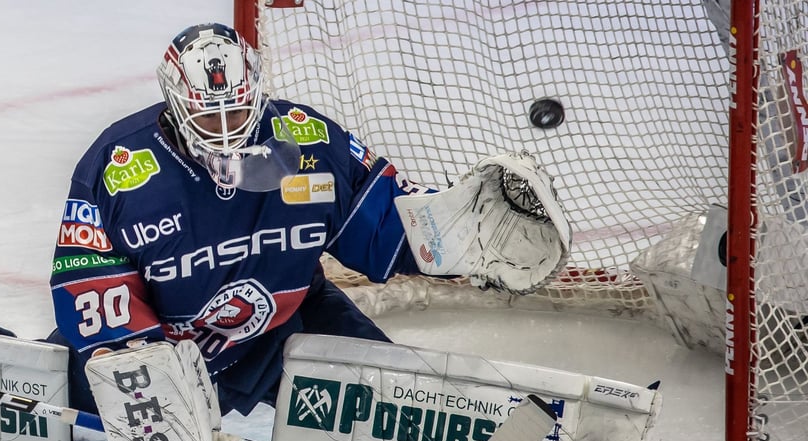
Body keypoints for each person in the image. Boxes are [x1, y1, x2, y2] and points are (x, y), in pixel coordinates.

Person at [48, 22, 567, 418]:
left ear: (257, 94)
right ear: (177, 107)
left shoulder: (306, 141)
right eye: (208, 117)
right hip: (164, 351)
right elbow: (89, 280)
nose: (226, 132)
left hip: (284, 331)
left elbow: (382, 224)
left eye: (237, 111)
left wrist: (457, 233)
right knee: (56, 396)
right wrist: (139, 365)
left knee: (405, 405)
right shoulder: (121, 166)